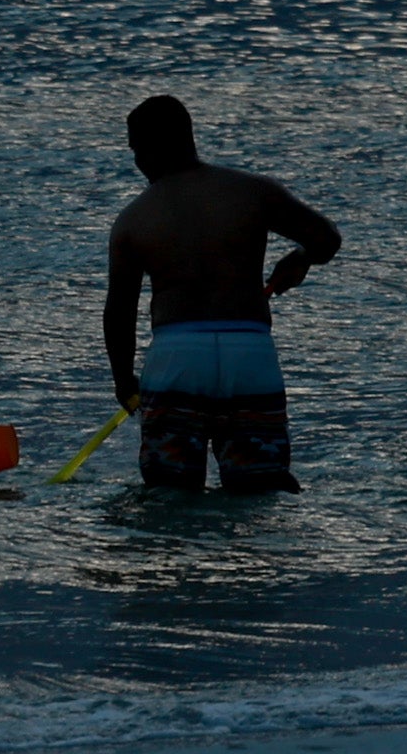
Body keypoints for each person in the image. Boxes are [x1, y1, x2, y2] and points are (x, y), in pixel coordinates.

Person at [101, 93, 342, 491]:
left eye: (135, 149)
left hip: (176, 360)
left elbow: (119, 312)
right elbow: (326, 239)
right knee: (261, 494)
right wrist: (300, 258)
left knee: (169, 499)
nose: (136, 162)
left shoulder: (133, 220)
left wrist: (124, 382)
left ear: (146, 150)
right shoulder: (253, 193)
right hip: (250, 357)